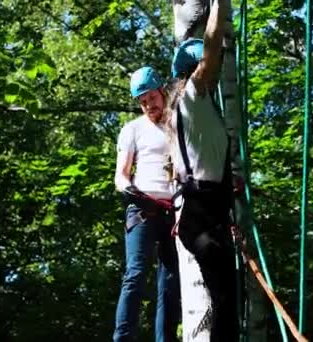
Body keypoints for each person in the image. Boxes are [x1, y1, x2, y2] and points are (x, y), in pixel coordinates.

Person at [165, 0, 239, 340]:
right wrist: (220, 7)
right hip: (200, 214)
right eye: (205, 67)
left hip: (211, 212)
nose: (213, 69)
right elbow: (211, 47)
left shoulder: (202, 108)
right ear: (192, 70)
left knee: (227, 300)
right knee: (225, 299)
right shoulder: (191, 95)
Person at [112, 66, 180, 342]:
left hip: (173, 211)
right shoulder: (133, 130)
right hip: (142, 209)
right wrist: (128, 189)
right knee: (136, 273)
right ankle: (123, 337)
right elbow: (121, 173)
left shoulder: (179, 124)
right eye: (142, 102)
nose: (148, 106)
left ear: (162, 92)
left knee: (170, 281)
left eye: (151, 98)